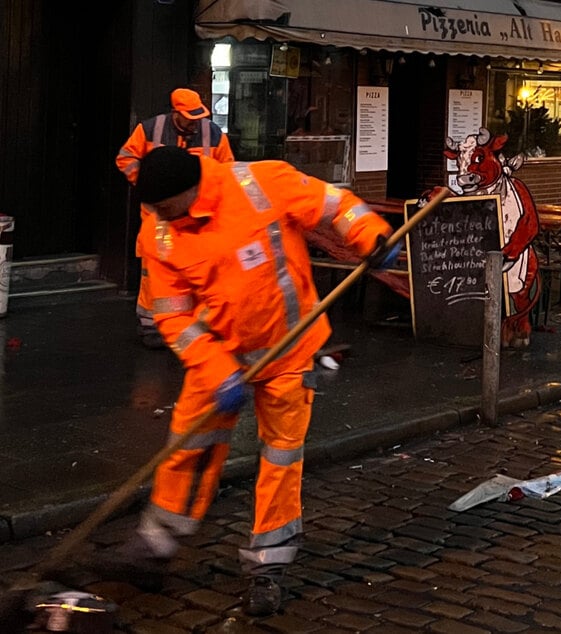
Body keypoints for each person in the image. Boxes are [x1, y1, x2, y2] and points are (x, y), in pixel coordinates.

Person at [107, 146, 399, 616]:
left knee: (280, 457)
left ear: (192, 192)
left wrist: (372, 236)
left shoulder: (260, 183)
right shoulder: (159, 231)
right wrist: (219, 369)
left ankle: (268, 566)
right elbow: (173, 316)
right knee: (188, 446)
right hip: (218, 362)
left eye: (164, 207)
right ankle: (154, 548)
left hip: (290, 350)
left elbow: (334, 205)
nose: (157, 216)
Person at [116, 88, 234, 349]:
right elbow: (126, 158)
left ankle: (189, 326)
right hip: (159, 216)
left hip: (197, 216)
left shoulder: (213, 133)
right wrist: (149, 184)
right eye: (189, 116)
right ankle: (150, 324)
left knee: (195, 270)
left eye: (197, 116)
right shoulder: (149, 129)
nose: (194, 121)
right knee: (153, 272)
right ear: (175, 113)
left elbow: (226, 169)